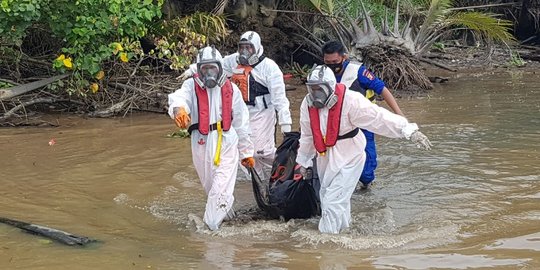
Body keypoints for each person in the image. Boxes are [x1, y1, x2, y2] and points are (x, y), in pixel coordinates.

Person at [295, 65, 432, 234]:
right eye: (312, 89)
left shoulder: (351, 100)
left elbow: (379, 117)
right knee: (329, 198)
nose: (315, 94)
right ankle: (344, 234)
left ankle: (326, 243)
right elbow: (307, 135)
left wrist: (409, 131)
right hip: (325, 157)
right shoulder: (307, 105)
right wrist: (303, 162)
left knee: (332, 201)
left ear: (330, 86)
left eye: (319, 89)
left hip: (350, 156)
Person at [168, 46, 255, 231]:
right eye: (204, 69)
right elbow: (178, 98)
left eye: (212, 68)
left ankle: (210, 228)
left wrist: (246, 152)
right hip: (200, 141)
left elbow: (241, 122)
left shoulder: (231, 89)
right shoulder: (191, 86)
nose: (209, 73)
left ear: (220, 68)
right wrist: (178, 109)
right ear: (199, 70)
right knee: (211, 189)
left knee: (219, 189)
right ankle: (229, 221)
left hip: (226, 141)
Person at [322, 40, 404, 189]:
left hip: (362, 122)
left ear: (344, 57)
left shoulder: (358, 72)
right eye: (328, 62)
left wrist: (399, 114)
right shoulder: (322, 74)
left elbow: (382, 89)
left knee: (366, 164)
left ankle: (366, 184)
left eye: (335, 61)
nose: (332, 66)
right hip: (337, 124)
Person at [221, 31, 293, 180]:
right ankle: (258, 179)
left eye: (249, 47)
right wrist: (193, 70)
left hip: (263, 112)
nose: (245, 51)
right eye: (242, 47)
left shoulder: (269, 67)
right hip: (240, 112)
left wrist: (285, 123)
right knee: (242, 149)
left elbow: (280, 98)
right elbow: (215, 65)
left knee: (261, 151)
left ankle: (288, 167)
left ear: (257, 47)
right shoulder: (233, 61)